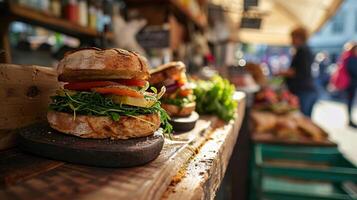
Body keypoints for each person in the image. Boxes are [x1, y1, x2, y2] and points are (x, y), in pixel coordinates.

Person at [277, 27, 317, 117]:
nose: (291, 41)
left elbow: (301, 71)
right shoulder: (305, 50)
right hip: (306, 90)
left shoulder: (302, 51)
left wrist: (283, 72)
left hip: (303, 90)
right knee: (304, 118)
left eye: (293, 38)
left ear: (299, 37)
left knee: (302, 118)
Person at [343, 42, 357, 128]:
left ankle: (350, 119)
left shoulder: (351, 58)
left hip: (351, 83)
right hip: (350, 83)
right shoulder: (351, 58)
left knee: (350, 101)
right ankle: (349, 119)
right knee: (350, 101)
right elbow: (353, 71)